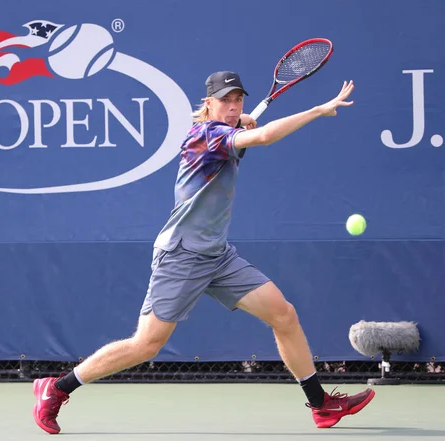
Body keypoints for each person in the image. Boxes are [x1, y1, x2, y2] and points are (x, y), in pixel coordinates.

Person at [31, 71, 375, 434]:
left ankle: (321, 404)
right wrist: (319, 110)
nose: (233, 106)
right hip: (181, 255)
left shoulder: (225, 130)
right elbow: (266, 135)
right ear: (208, 103)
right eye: (225, 100)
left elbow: (243, 128)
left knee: (284, 315)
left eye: (238, 99)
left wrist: (239, 121)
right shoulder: (207, 135)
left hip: (216, 255)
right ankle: (55, 388)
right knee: (146, 344)